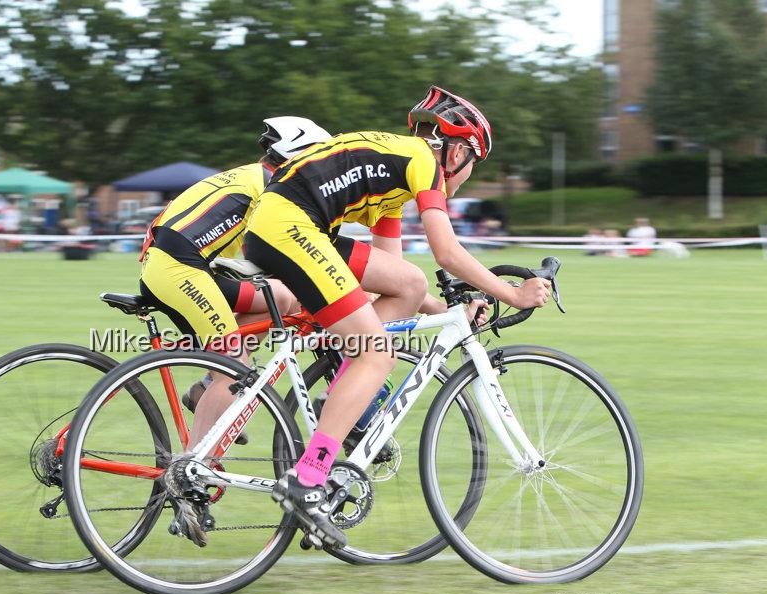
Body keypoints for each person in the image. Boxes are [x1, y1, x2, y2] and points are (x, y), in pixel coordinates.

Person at [242, 85, 551, 547]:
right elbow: (446, 252)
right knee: (378, 356)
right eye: (473, 167)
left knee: (407, 287)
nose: (466, 178)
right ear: (459, 153)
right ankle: (308, 479)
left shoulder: (392, 180)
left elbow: (400, 277)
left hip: (288, 225)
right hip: (290, 228)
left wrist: (450, 311)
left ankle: (346, 381)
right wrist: (511, 293)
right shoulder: (423, 163)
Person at [137, 118, 330, 486]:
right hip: (180, 271)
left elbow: (263, 265)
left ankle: (206, 387)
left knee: (283, 299)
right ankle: (189, 472)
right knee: (237, 368)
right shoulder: (270, 191)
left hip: (182, 267)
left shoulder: (252, 178)